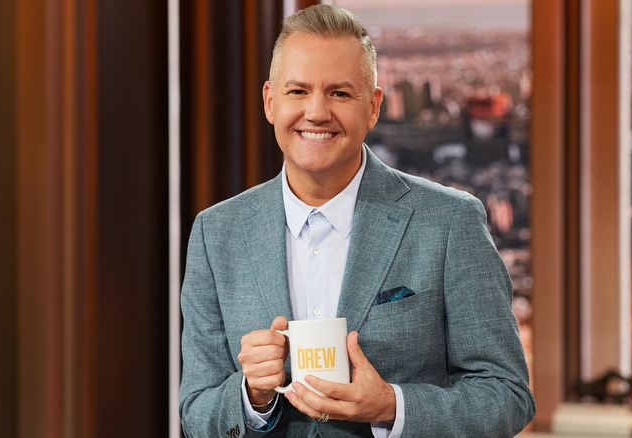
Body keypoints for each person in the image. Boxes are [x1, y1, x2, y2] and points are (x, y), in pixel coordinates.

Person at [179, 4, 535, 437]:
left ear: (373, 107)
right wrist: (251, 396)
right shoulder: (217, 234)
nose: (316, 112)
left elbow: (508, 395)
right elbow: (196, 412)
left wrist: (391, 406)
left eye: (340, 94)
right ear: (270, 102)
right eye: (297, 92)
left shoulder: (448, 222)